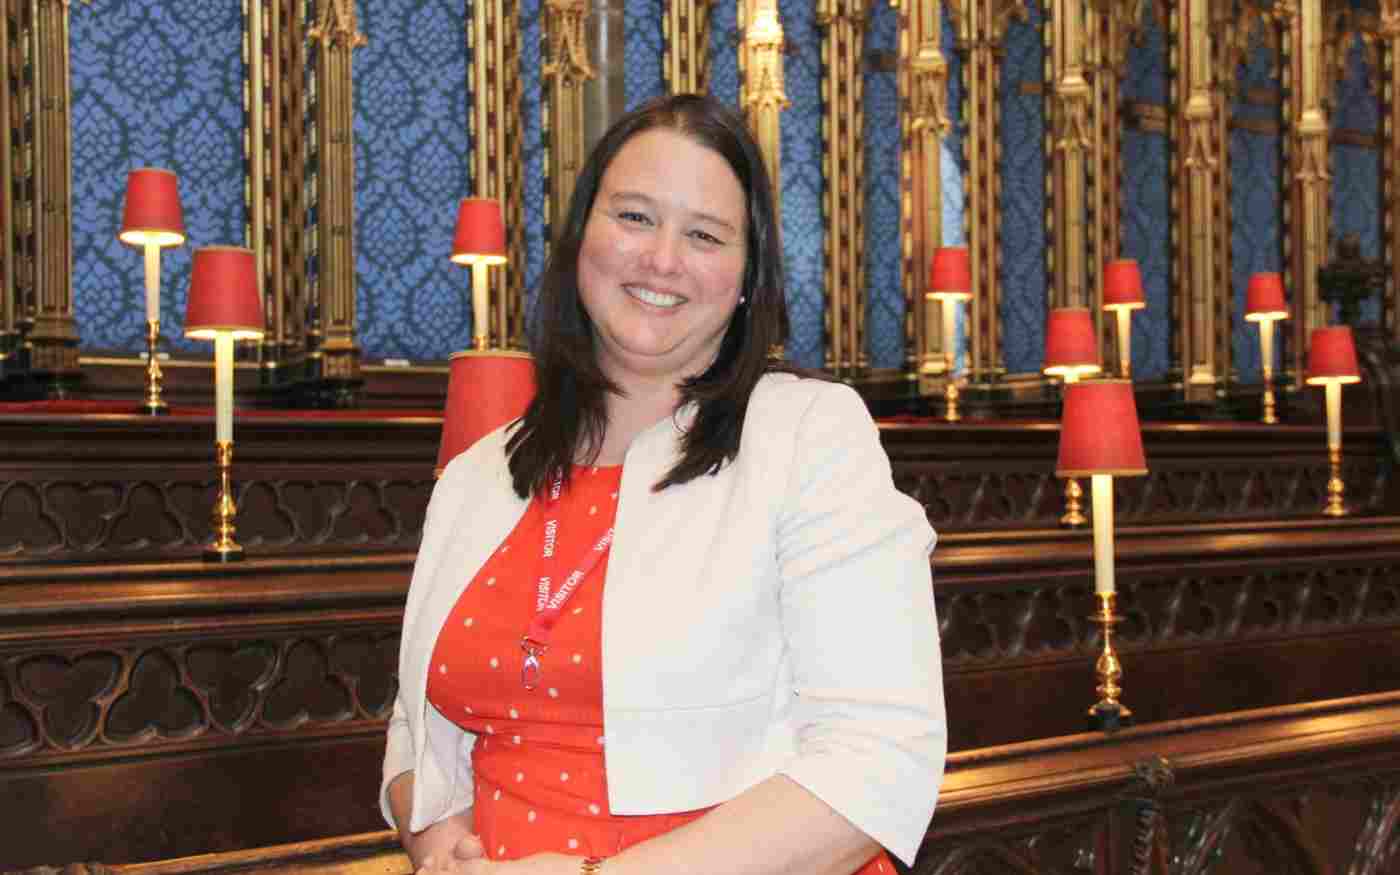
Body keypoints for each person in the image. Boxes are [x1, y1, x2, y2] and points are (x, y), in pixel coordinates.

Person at [381, 93, 945, 875]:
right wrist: (439, 842)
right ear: (582, 234)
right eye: (635, 217)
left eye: (705, 234)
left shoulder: (810, 436)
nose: (662, 258)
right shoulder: (480, 473)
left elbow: (878, 753)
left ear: (749, 277)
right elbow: (417, 725)